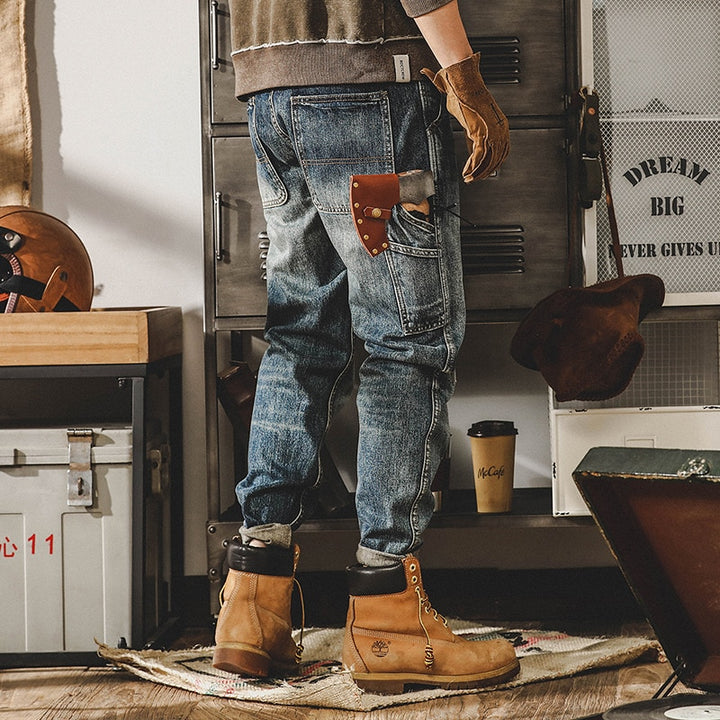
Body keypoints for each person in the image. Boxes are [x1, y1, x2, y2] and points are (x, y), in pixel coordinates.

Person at [212, 0, 520, 693]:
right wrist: (464, 78)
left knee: (301, 337)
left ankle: (251, 606)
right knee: (408, 341)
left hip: (270, 92)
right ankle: (390, 619)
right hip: (368, 92)